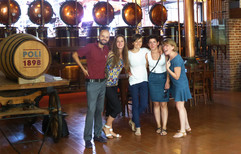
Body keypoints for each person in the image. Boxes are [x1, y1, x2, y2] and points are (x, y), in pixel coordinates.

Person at [72, 29, 110, 148]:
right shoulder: (90, 47)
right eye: (103, 36)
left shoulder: (107, 49)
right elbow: (75, 55)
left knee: (99, 110)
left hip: (102, 83)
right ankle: (87, 138)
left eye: (107, 37)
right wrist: (83, 69)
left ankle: (97, 135)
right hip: (92, 84)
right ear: (99, 36)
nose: (105, 38)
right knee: (91, 111)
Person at [162, 38, 192, 138]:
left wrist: (167, 69)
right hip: (176, 85)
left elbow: (177, 76)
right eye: (164, 46)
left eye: (167, 46)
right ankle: (187, 127)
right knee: (180, 106)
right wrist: (168, 81)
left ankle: (183, 131)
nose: (164, 47)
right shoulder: (170, 57)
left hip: (180, 85)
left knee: (180, 107)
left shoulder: (177, 59)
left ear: (172, 47)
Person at [103, 34, 129, 139]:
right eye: (118, 41)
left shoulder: (124, 55)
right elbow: (102, 67)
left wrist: (129, 72)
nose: (120, 43)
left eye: (122, 41)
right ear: (115, 43)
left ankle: (110, 130)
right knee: (117, 107)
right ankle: (106, 127)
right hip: (106, 84)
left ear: (124, 43)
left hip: (114, 84)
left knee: (111, 108)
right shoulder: (111, 54)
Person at [145, 35, 170, 136]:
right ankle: (159, 126)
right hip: (152, 79)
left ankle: (164, 127)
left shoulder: (164, 53)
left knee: (163, 104)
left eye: (154, 42)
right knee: (156, 104)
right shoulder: (146, 54)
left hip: (163, 78)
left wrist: (167, 81)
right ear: (148, 45)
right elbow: (144, 67)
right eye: (150, 42)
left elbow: (168, 69)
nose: (152, 44)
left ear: (158, 43)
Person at [128, 34, 150, 136]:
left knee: (144, 104)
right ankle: (138, 127)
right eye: (136, 41)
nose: (138, 43)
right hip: (133, 82)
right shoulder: (128, 53)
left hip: (144, 80)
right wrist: (127, 70)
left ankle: (133, 119)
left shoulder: (145, 50)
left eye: (140, 41)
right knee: (135, 105)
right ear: (132, 42)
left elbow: (155, 54)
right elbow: (124, 63)